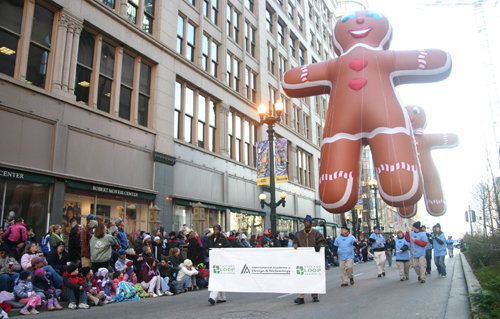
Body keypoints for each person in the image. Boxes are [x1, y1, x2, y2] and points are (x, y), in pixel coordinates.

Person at [292, 215, 326, 304]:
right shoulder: (299, 234)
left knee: (313, 276)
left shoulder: (316, 233)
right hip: (302, 258)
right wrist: (295, 244)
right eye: (305, 222)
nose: (307, 223)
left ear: (311, 223)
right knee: (301, 276)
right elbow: (295, 241)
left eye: (308, 222)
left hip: (313, 258)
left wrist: (319, 246)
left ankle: (315, 295)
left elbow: (322, 242)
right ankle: (301, 296)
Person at [206, 224, 231, 305]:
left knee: (216, 277)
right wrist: (208, 252)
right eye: (214, 229)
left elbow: (229, 248)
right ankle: (222, 297)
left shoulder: (223, 239)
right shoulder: (210, 238)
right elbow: (206, 248)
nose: (216, 231)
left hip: (220, 260)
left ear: (219, 230)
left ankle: (212, 297)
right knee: (217, 277)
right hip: (212, 260)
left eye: (217, 229)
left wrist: (221, 252)